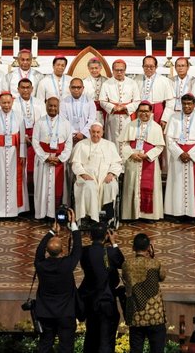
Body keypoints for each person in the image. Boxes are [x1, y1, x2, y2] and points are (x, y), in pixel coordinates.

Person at [34, 208, 82, 353]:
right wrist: (73, 224)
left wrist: (51, 232)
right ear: (62, 251)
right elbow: (78, 249)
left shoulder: (41, 265)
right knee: (66, 348)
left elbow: (38, 252)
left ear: (48, 251)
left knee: (45, 346)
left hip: (45, 313)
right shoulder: (67, 265)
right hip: (66, 313)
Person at [79, 223, 124, 353]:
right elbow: (121, 263)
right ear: (106, 235)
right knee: (106, 341)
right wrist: (113, 243)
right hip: (106, 301)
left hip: (90, 301)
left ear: (90, 236)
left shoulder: (84, 252)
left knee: (91, 337)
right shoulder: (109, 252)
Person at [119, 102, 165, 220]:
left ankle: (148, 216)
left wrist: (147, 155)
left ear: (151, 113)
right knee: (131, 187)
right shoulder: (130, 126)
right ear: (137, 112)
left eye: (146, 111)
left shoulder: (156, 127)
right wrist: (132, 153)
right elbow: (124, 143)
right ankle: (132, 215)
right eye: (141, 111)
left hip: (149, 162)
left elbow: (160, 146)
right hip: (133, 161)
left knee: (150, 188)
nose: (144, 114)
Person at [0, 92, 28, 218]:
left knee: (13, 181)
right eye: (3, 103)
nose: (6, 105)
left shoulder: (19, 116)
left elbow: (22, 138)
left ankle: (14, 212)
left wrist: (22, 154)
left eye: (8, 102)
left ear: (12, 102)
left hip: (14, 153)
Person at [122, 233, 166, 353]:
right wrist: (152, 256)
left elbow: (125, 279)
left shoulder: (126, 265)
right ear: (148, 248)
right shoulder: (155, 263)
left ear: (133, 248)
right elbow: (162, 276)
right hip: (155, 316)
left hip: (136, 317)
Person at [164, 94, 195, 218]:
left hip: (193, 157)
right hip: (178, 156)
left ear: (194, 104)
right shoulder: (174, 117)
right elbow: (169, 138)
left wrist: (191, 154)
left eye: (189, 104)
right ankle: (177, 212)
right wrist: (180, 153)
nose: (187, 106)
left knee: (193, 185)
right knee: (177, 184)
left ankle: (192, 213)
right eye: (184, 104)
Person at [71, 122, 122, 222]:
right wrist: (83, 174)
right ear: (89, 132)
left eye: (98, 132)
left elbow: (116, 163)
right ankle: (90, 216)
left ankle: (108, 217)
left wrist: (111, 174)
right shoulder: (81, 145)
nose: (96, 135)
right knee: (89, 186)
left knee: (110, 185)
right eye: (93, 132)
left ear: (102, 132)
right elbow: (76, 164)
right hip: (87, 177)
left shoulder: (110, 145)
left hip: (105, 176)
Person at [33, 97, 73, 219]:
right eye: (50, 106)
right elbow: (35, 141)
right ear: (46, 106)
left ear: (58, 107)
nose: (52, 108)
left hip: (59, 162)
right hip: (44, 161)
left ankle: (59, 215)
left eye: (55, 106)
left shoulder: (65, 123)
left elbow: (69, 143)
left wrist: (60, 158)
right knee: (43, 188)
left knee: (59, 189)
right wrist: (45, 157)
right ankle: (42, 214)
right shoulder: (39, 122)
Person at [12, 78, 46, 205]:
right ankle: (21, 203)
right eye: (23, 87)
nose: (25, 90)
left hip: (36, 139)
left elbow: (43, 121)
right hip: (18, 139)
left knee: (35, 170)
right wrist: (22, 136)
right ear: (18, 89)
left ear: (32, 89)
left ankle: (34, 203)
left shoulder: (39, 103)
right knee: (20, 171)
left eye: (28, 88)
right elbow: (11, 121)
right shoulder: (14, 103)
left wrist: (35, 137)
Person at [99, 59, 140, 155]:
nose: (119, 72)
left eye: (121, 70)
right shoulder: (106, 84)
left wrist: (125, 108)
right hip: (112, 118)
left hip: (127, 118)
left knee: (127, 140)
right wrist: (113, 107)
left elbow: (137, 100)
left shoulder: (132, 83)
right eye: (117, 70)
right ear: (112, 70)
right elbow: (102, 101)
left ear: (125, 70)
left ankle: (126, 165)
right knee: (112, 140)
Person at [134, 55, 175, 129]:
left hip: (157, 111)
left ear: (156, 67)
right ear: (142, 66)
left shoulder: (164, 81)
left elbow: (170, 102)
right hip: (140, 111)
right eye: (146, 66)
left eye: (151, 66)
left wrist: (165, 118)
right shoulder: (136, 79)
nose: (148, 69)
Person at [60, 77, 97, 143]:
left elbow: (92, 119)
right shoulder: (64, 102)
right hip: (69, 136)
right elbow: (63, 120)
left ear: (83, 88)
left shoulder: (90, 101)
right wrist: (74, 134)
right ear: (69, 88)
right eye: (73, 87)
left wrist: (83, 133)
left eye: (79, 87)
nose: (76, 90)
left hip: (86, 136)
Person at [83, 57, 108, 125]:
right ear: (88, 69)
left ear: (100, 68)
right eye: (92, 68)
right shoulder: (84, 82)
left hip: (104, 112)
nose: (94, 70)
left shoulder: (107, 81)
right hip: (89, 112)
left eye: (96, 68)